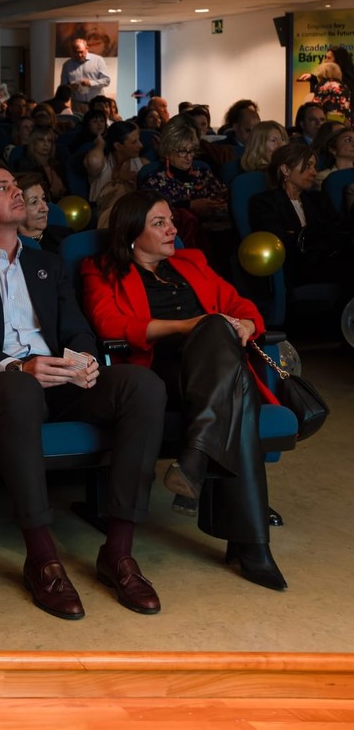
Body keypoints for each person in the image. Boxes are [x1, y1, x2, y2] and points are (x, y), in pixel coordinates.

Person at [0, 159, 166, 620]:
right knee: (20, 389)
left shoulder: (47, 264)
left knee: (143, 386)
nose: (17, 191)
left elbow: (76, 327)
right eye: (3, 187)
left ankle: (119, 553)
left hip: (60, 379)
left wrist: (84, 359)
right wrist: (20, 366)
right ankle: (42, 558)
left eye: (15, 184)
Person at [81, 191, 287, 589]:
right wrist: (189, 325)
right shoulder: (100, 269)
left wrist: (246, 325)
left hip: (215, 375)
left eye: (171, 221)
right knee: (233, 377)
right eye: (159, 223)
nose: (172, 229)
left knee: (228, 364)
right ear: (131, 232)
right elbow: (110, 325)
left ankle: (198, 460)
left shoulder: (191, 261)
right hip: (160, 376)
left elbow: (242, 306)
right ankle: (251, 546)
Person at [251, 143, 353, 290]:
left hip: (328, 260)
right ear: (286, 169)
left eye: (315, 166)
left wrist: (302, 235)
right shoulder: (264, 203)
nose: (314, 172)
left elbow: (339, 230)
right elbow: (282, 244)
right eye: (308, 165)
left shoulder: (317, 199)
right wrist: (317, 235)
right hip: (296, 270)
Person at [16, 172, 70, 254]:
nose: (46, 208)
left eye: (43, 198)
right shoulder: (8, 251)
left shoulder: (65, 237)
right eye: (34, 202)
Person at [59, 37, 111, 108]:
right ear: (72, 51)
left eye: (81, 52)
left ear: (87, 48)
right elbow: (63, 86)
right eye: (76, 52)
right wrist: (70, 87)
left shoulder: (98, 60)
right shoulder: (67, 65)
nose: (79, 55)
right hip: (77, 104)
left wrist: (90, 83)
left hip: (97, 103)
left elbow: (106, 81)